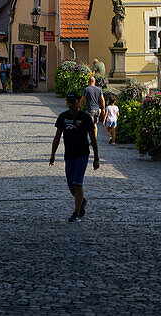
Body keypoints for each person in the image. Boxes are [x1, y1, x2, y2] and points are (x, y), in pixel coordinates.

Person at [49, 90, 99, 222]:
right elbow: (57, 137)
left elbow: (93, 139)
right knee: (71, 185)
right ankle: (81, 200)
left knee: (77, 183)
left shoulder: (85, 117)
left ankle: (76, 213)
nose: (70, 104)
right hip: (69, 154)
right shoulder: (63, 117)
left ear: (78, 103)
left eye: (73, 102)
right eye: (68, 102)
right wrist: (52, 154)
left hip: (82, 154)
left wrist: (96, 158)